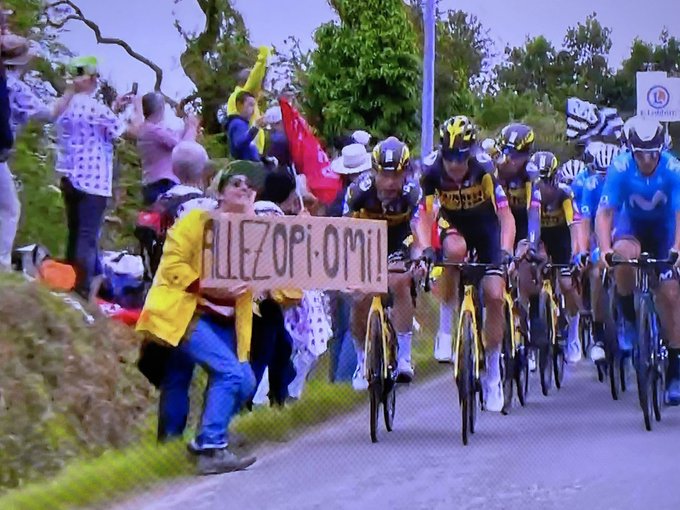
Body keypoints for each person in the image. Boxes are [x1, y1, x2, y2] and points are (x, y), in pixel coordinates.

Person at [136, 163, 263, 475]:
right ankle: (210, 446)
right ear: (220, 191)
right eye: (236, 183)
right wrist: (205, 285)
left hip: (228, 320)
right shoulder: (196, 221)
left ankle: (209, 434)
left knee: (245, 382)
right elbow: (172, 265)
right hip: (190, 314)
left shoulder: (255, 229)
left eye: (249, 184)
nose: (244, 188)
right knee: (228, 374)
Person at [416, 115, 515, 412]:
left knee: (495, 295)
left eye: (460, 158)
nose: (454, 165)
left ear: (470, 153)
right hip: (454, 225)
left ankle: (493, 375)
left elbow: (505, 215)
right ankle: (445, 329)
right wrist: (425, 247)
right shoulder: (432, 170)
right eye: (449, 157)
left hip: (486, 230)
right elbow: (425, 214)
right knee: (454, 251)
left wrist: (506, 250)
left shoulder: (484, 168)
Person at [595, 117, 680, 405]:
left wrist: (677, 249)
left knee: (670, 295)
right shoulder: (619, 168)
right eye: (640, 154)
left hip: (665, 231)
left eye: (652, 153)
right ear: (631, 151)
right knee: (621, 256)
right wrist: (605, 249)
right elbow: (605, 213)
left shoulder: (673, 169)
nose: (646, 160)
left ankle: (675, 369)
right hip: (631, 227)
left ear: (661, 150)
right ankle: (629, 319)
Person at [345, 137, 421, 388]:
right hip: (365, 239)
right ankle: (361, 359)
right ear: (374, 172)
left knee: (400, 280)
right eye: (385, 175)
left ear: (406, 173)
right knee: (360, 297)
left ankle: (404, 356)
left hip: (400, 239)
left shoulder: (412, 192)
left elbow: (420, 228)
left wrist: (420, 256)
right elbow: (342, 230)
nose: (390, 182)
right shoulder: (359, 191)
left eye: (397, 175)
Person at [1, 32, 73, 270]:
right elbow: (48, 114)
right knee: (10, 208)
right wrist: (70, 92)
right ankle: (2, 263)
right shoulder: (15, 86)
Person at [523, 151, 586, 363]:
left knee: (567, 283)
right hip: (540, 238)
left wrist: (577, 253)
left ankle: (574, 335)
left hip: (561, 238)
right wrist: (532, 248)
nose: (542, 187)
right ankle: (531, 333)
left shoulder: (564, 193)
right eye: (538, 182)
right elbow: (532, 224)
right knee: (531, 276)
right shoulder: (531, 193)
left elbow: (575, 225)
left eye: (546, 182)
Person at [327, 142, 372, 381]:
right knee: (355, 323)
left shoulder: (336, 199)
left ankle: (336, 380)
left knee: (342, 327)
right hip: (355, 265)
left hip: (337, 266)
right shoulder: (355, 198)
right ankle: (346, 378)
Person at [579, 143, 621, 362]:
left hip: (622, 232)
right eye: (601, 173)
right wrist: (583, 249)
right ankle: (598, 335)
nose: (605, 178)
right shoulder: (591, 185)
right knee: (596, 273)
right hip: (600, 235)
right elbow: (585, 220)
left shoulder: (625, 182)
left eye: (609, 173)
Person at [136, 91, 199, 205]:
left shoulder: (147, 129)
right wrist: (191, 127)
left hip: (152, 182)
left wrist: (186, 127)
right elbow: (184, 149)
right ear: (160, 108)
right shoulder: (154, 130)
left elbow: (176, 139)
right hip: (163, 183)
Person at [225, 46, 271, 155]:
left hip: (252, 151)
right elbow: (255, 78)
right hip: (247, 152)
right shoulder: (243, 94)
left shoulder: (242, 97)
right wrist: (262, 58)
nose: (259, 87)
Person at [226, 91, 266, 161]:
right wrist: (255, 127)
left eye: (254, 106)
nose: (253, 110)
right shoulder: (237, 124)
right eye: (250, 105)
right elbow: (240, 143)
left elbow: (249, 150)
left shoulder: (243, 124)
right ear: (239, 105)